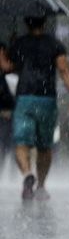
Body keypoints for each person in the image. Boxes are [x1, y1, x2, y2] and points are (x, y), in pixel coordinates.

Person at [0, 16, 69, 200]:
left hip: (25, 98)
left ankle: (27, 173)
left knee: (21, 143)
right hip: (47, 99)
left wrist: (5, 49)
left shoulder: (20, 43)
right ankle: (42, 186)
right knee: (45, 146)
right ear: (44, 23)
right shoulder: (55, 45)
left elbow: (6, 67)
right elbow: (64, 70)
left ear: (26, 24)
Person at [0, 41, 15, 178]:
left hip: (11, 117)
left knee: (12, 147)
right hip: (3, 118)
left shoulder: (8, 75)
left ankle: (13, 176)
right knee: (3, 149)